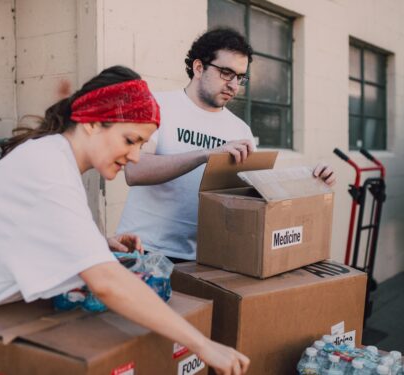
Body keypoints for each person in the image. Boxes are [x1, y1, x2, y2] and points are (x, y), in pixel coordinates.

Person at [0, 66, 250, 375]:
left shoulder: (54, 158)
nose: (136, 156)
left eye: (142, 144)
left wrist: (97, 245)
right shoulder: (49, 170)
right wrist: (203, 344)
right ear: (94, 122)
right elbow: (107, 284)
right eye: (130, 140)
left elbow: (31, 234)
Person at [117, 28, 335, 263]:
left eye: (240, 77)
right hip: (142, 249)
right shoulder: (157, 105)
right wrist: (206, 154)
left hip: (202, 258)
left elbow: (255, 195)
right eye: (226, 73)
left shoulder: (240, 131)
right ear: (199, 68)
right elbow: (134, 171)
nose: (234, 85)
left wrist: (312, 181)